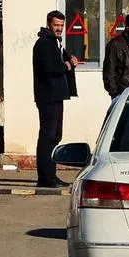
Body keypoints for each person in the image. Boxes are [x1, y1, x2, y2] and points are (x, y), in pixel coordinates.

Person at [32, 10, 79, 188]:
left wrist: (70, 61)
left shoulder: (55, 43)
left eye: (61, 25)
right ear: (48, 24)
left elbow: (63, 61)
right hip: (47, 96)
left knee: (55, 136)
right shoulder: (44, 43)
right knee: (48, 136)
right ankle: (45, 177)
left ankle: (50, 175)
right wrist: (68, 65)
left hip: (56, 95)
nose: (59, 28)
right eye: (56, 25)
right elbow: (51, 68)